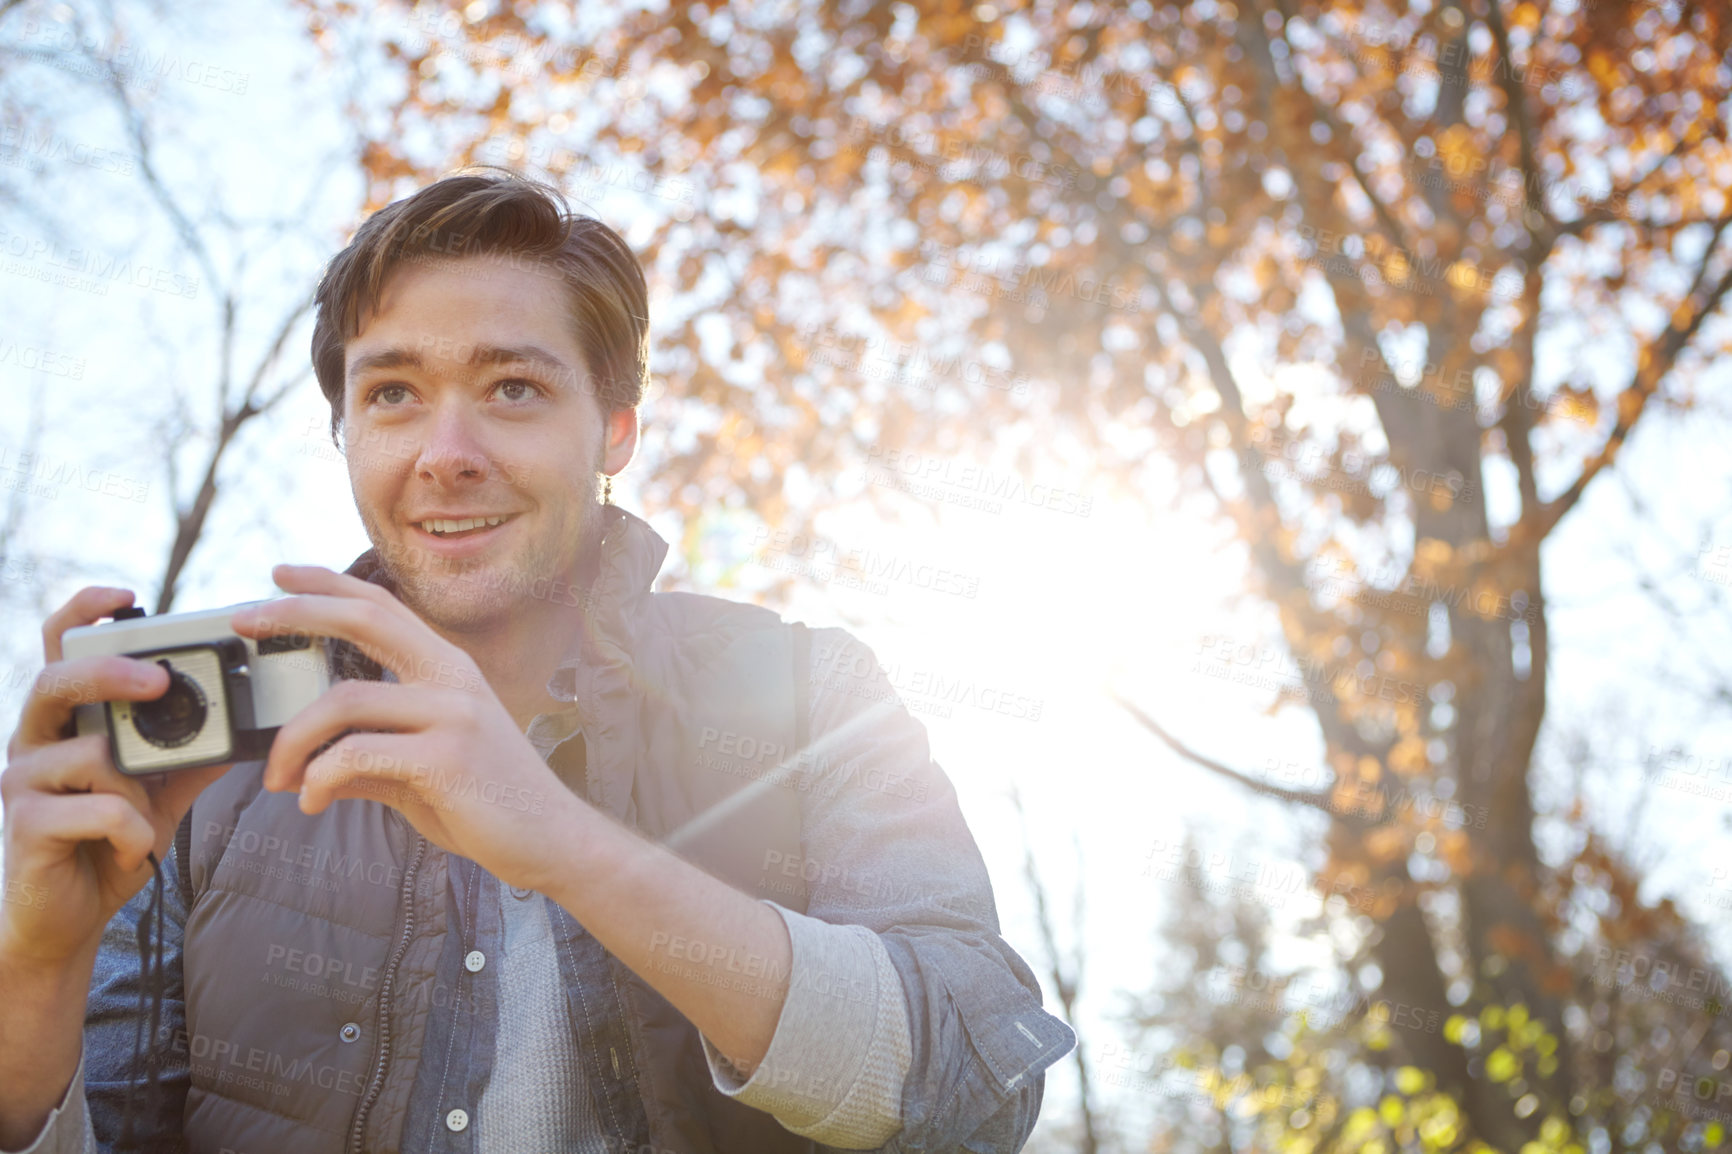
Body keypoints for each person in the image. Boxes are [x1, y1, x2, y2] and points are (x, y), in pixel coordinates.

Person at [0, 170, 1074, 1154]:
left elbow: (972, 1083)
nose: (446, 452)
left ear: (614, 429)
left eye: (512, 387)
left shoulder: (808, 696)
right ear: (344, 434)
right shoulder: (207, 777)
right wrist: (38, 967)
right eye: (392, 394)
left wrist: (564, 843)